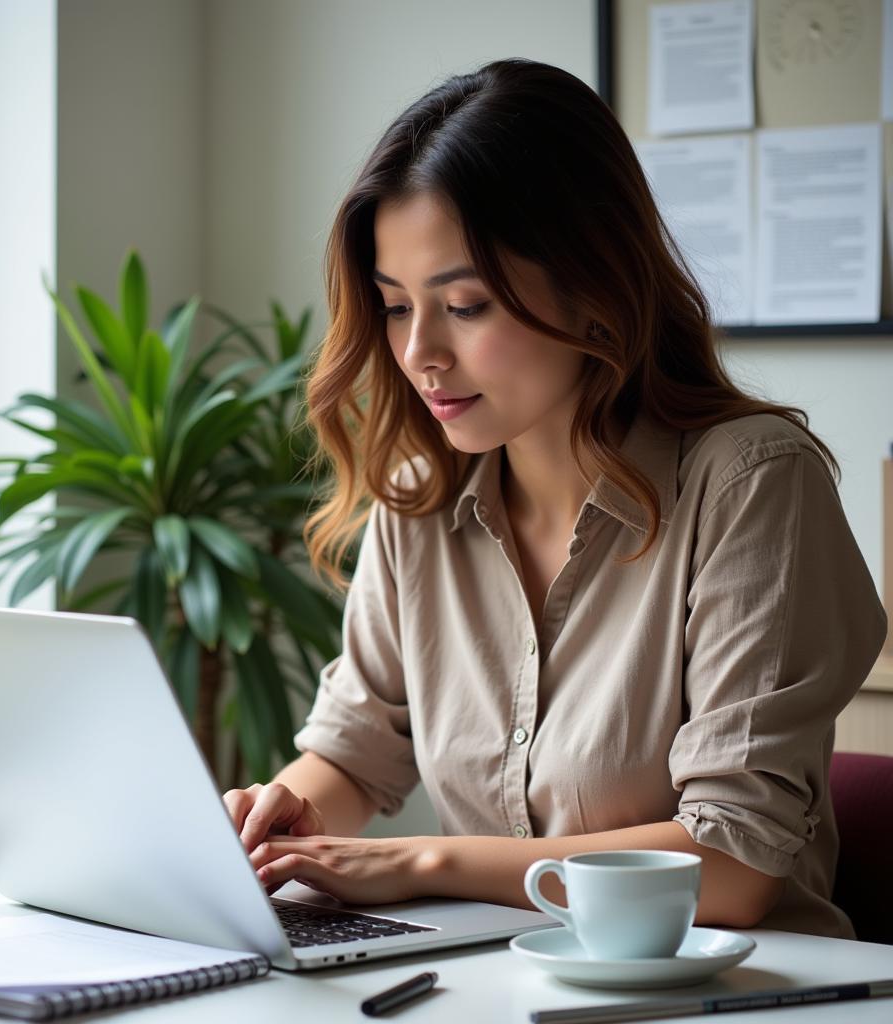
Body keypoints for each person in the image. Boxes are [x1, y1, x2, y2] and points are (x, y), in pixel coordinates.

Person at [222, 58, 887, 939]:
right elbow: (351, 752)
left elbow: (730, 869)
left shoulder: (752, 485)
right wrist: (266, 830)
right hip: (501, 984)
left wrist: (419, 860)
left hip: (737, 990)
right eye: (392, 306)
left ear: (593, 284)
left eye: (464, 305)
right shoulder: (418, 505)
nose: (420, 351)